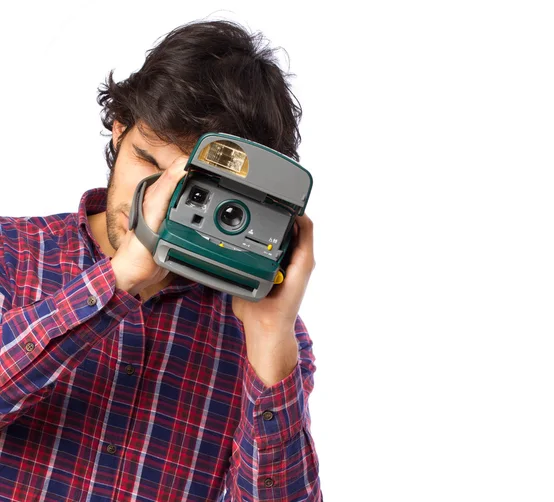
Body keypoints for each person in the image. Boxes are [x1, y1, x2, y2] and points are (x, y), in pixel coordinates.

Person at [0, 20, 321, 501]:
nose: (157, 200)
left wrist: (270, 337)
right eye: (149, 164)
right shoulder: (11, 251)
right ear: (118, 131)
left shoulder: (270, 339)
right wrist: (119, 279)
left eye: (193, 188)